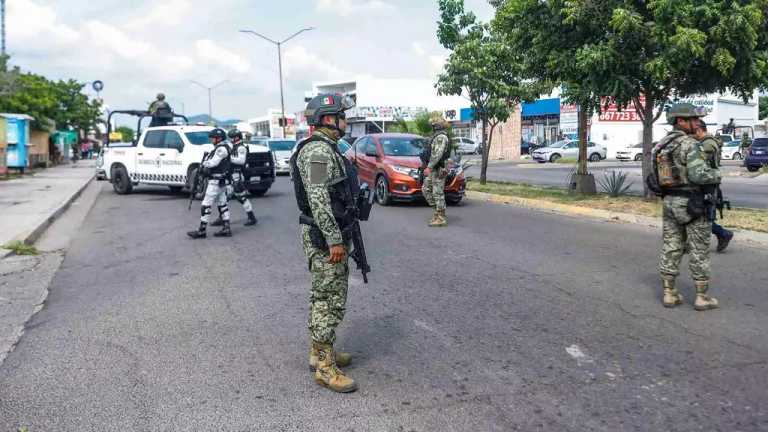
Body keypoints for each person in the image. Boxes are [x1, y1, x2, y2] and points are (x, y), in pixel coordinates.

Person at [290, 93, 359, 393]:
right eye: (342, 115)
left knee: (323, 296)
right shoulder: (318, 152)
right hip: (324, 237)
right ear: (328, 119)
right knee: (329, 301)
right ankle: (325, 368)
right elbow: (319, 200)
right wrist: (334, 240)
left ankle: (320, 352)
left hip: (327, 234)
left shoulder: (327, 148)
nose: (346, 120)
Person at [655, 103, 722, 311]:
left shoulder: (662, 144)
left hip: (669, 202)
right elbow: (698, 175)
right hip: (692, 203)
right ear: (680, 121)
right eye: (693, 119)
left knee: (671, 245)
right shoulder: (689, 144)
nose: (697, 123)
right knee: (699, 249)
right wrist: (718, 174)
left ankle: (669, 293)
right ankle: (702, 297)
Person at [692, 120, 733, 252]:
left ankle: (723, 233)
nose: (692, 134)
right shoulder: (704, 142)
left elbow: (700, 159)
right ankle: (721, 234)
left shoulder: (708, 143)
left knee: (703, 216)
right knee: (698, 214)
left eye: (693, 131)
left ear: (699, 130)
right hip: (704, 182)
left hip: (708, 184)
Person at [187, 128, 233, 239]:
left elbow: (213, 162)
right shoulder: (221, 148)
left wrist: (203, 165)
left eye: (213, 138)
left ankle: (202, 230)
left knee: (206, 205)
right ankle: (226, 228)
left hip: (216, 182)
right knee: (222, 204)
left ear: (218, 138)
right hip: (221, 181)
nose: (211, 140)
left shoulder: (221, 149)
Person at [210, 129, 258, 227]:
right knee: (224, 198)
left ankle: (252, 217)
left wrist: (228, 158)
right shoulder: (233, 146)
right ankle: (222, 218)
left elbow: (241, 160)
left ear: (236, 137)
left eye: (231, 137)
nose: (230, 139)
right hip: (229, 174)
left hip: (237, 175)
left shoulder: (241, 148)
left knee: (241, 197)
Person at [419, 113, 452, 227]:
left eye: (433, 125)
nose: (432, 127)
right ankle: (438, 211)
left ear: (436, 126)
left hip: (439, 168)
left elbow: (437, 154)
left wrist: (429, 167)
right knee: (426, 189)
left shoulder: (441, 137)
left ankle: (441, 217)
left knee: (437, 192)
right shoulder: (437, 136)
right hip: (434, 168)